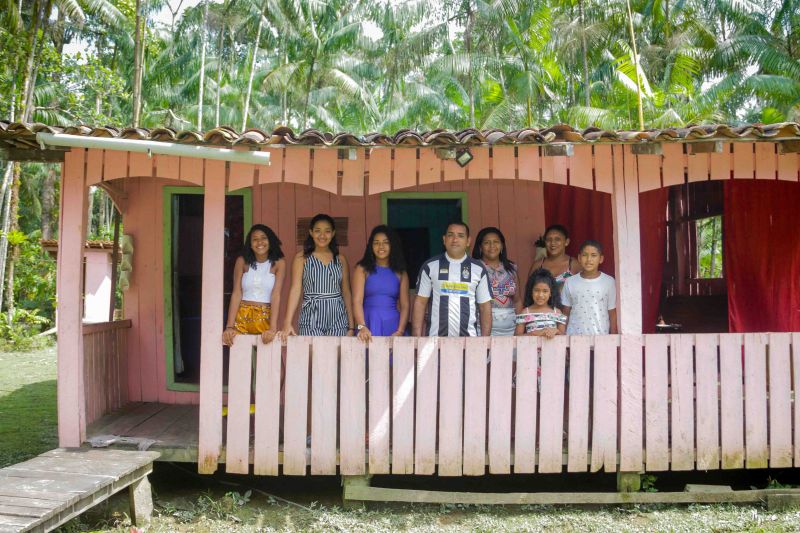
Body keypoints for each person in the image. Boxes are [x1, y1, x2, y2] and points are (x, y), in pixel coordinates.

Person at [412, 221, 492, 337]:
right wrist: (416, 340)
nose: (455, 239)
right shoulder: (430, 266)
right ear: (444, 239)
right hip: (435, 341)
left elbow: (485, 307)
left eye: (460, 236)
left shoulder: (478, 269)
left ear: (468, 241)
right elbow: (420, 302)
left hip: (468, 343)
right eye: (450, 235)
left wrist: (485, 342)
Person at [281, 214, 354, 337]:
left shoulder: (340, 259)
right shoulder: (302, 258)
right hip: (311, 316)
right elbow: (295, 289)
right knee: (312, 355)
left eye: (327, 231)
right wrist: (287, 322)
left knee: (337, 356)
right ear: (311, 232)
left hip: (338, 317)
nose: (322, 236)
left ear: (333, 233)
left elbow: (346, 292)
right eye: (317, 231)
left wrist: (351, 326)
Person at [222, 224, 286, 345]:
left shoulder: (279, 263)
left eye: (263, 238)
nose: (259, 242)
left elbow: (276, 295)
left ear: (270, 241)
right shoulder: (242, 261)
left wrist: (272, 328)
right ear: (250, 244)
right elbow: (236, 293)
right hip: (242, 315)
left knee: (266, 360)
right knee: (240, 358)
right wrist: (229, 326)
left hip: (265, 316)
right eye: (255, 239)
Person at [353, 225, 410, 342]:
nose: (381, 247)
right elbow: (357, 301)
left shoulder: (401, 272)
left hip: (393, 325)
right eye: (376, 243)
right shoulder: (362, 269)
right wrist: (361, 327)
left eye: (386, 242)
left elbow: (405, 306)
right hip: (367, 324)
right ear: (371, 246)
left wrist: (400, 331)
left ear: (392, 245)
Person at [471, 227, 521, 336]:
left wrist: (520, 327)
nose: (492, 246)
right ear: (480, 247)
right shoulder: (474, 268)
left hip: (510, 328)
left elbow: (517, 301)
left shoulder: (511, 268)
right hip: (482, 328)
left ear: (502, 245)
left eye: (496, 242)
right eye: (487, 243)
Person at [561, 240, 618, 335]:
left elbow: (612, 314)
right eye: (584, 255)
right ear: (579, 258)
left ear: (601, 259)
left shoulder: (609, 282)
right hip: (574, 338)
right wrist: (563, 337)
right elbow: (566, 312)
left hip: (601, 338)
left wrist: (613, 338)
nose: (588, 259)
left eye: (593, 255)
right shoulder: (570, 282)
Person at [514, 268, 566, 338]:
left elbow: (563, 338)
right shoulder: (525, 312)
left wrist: (556, 331)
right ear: (531, 291)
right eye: (536, 290)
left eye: (545, 291)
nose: (540, 295)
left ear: (550, 293)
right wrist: (535, 333)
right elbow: (517, 337)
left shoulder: (557, 313)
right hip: (531, 348)